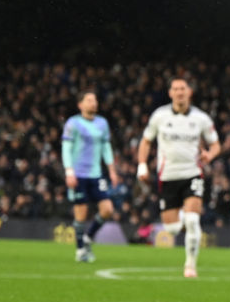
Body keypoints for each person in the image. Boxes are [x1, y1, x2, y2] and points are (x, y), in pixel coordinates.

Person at [137, 77, 221, 278]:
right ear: (170, 93)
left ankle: (190, 265)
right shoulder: (160, 116)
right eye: (175, 89)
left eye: (183, 88)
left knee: (192, 220)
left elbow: (216, 144)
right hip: (167, 176)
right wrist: (142, 165)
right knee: (173, 229)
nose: (179, 92)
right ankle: (185, 218)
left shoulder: (201, 119)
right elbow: (146, 141)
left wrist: (210, 154)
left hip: (192, 173)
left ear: (189, 92)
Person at [61, 90, 119, 262]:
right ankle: (80, 250)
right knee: (81, 214)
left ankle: (88, 237)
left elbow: (106, 148)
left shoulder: (102, 123)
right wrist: (69, 172)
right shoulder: (73, 123)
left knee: (107, 209)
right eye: (89, 100)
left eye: (95, 100)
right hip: (78, 174)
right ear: (80, 105)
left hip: (96, 174)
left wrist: (112, 170)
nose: (93, 103)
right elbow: (66, 148)